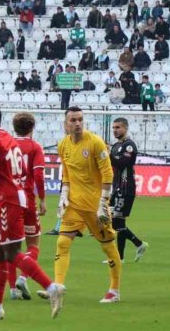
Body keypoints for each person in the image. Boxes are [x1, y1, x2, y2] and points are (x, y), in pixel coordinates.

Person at [0, 105, 65, 320]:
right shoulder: (8, 138)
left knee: (11, 252)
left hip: (8, 199)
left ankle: (52, 288)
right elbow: (15, 170)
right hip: (16, 195)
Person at [45, 107, 122, 304]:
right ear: (66, 124)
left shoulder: (95, 142)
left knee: (107, 245)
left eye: (80, 119)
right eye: (73, 120)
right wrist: (64, 194)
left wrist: (104, 202)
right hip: (74, 204)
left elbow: (108, 173)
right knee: (62, 242)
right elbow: (67, 173)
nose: (77, 123)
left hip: (95, 205)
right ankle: (58, 287)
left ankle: (114, 290)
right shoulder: (63, 145)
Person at [7, 112, 47, 300]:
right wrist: (43, 200)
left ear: (14, 127)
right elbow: (38, 175)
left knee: (11, 246)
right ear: (32, 127)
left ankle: (12, 290)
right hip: (28, 200)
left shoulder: (6, 145)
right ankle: (23, 277)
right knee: (34, 244)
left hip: (9, 200)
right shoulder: (35, 147)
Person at [109, 118, 148, 263]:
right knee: (118, 223)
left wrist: (108, 154)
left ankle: (138, 244)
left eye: (118, 127)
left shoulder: (129, 146)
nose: (115, 130)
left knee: (115, 223)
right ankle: (120, 257)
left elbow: (123, 163)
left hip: (125, 188)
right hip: (116, 187)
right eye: (113, 127)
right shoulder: (116, 145)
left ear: (125, 128)